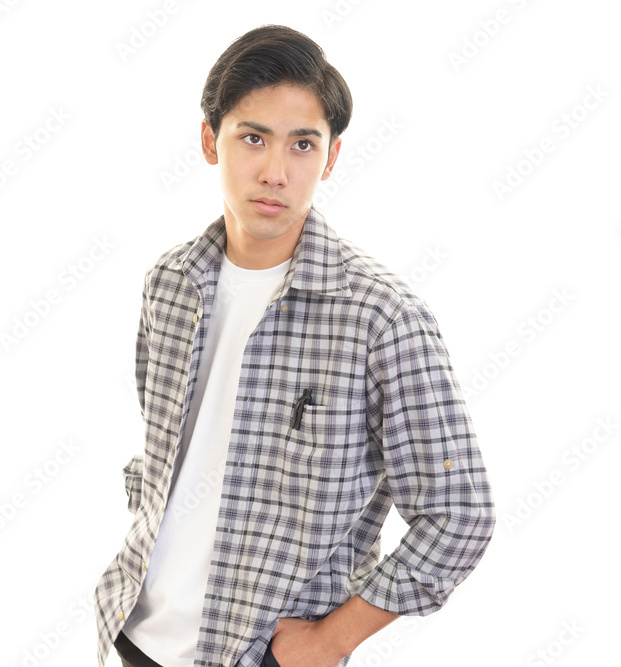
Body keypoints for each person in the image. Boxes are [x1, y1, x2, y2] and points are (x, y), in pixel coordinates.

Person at [94, 24, 495, 667]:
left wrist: (328, 642)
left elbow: (459, 515)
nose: (276, 172)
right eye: (253, 138)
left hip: (259, 655)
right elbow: (161, 452)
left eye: (302, 145)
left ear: (330, 158)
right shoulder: (168, 284)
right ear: (210, 140)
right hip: (134, 634)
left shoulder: (381, 318)